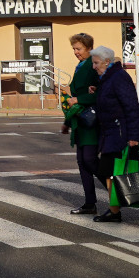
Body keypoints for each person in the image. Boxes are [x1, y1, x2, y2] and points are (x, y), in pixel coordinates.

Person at [89, 45, 139, 223]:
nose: (94, 67)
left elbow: (132, 106)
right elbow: (111, 100)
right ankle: (117, 210)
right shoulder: (108, 77)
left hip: (120, 133)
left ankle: (135, 204)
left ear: (107, 62)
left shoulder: (119, 77)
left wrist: (134, 136)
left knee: (113, 171)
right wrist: (98, 91)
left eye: (96, 63)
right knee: (112, 172)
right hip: (111, 133)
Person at [60, 32, 101, 215]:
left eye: (79, 49)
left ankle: (116, 191)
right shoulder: (81, 65)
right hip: (81, 122)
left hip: (91, 121)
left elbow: (100, 92)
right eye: (74, 49)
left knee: (90, 161)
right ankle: (89, 203)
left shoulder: (94, 64)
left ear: (89, 48)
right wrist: (67, 122)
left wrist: (77, 99)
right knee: (82, 163)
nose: (76, 52)